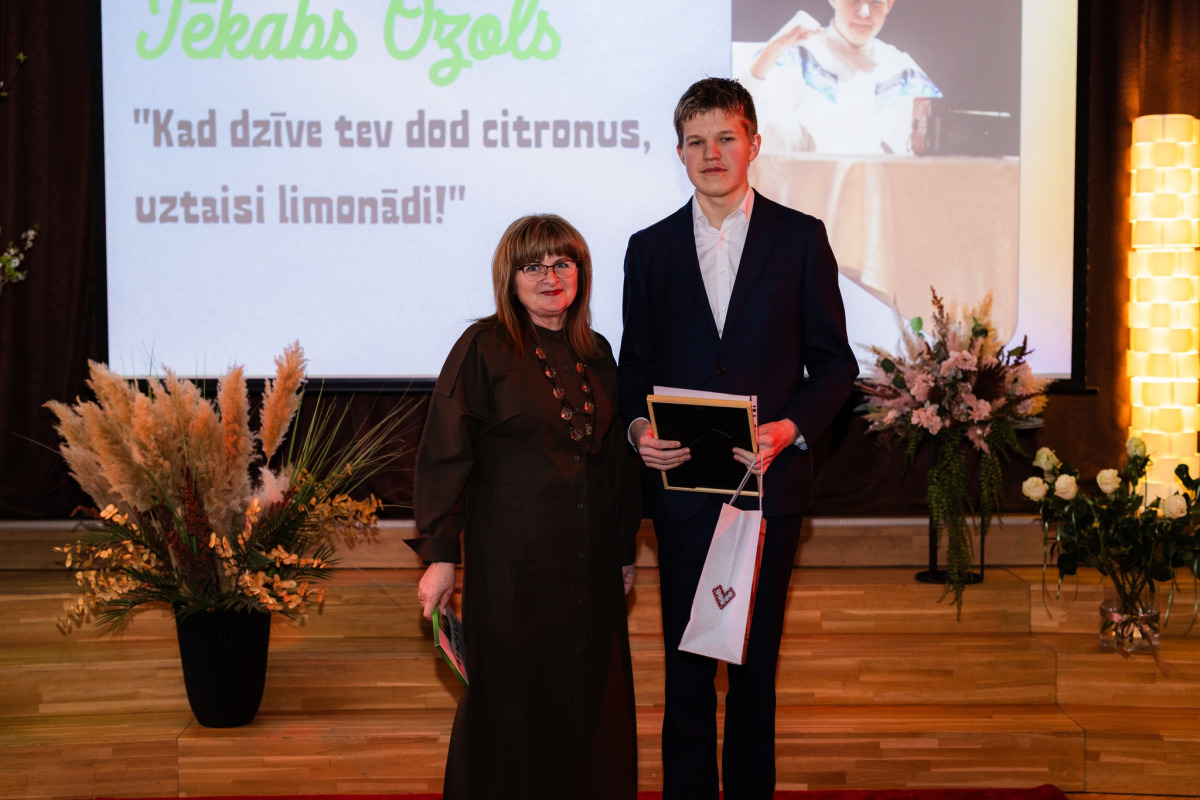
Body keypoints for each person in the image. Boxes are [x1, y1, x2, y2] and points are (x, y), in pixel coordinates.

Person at [618, 78, 858, 799]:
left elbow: (836, 366)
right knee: (686, 674)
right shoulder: (649, 249)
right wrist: (638, 431)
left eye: (726, 137)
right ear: (679, 153)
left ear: (754, 143)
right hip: (682, 497)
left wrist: (791, 427)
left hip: (768, 490)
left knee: (754, 675)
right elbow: (634, 371)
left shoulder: (801, 238)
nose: (712, 153)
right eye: (696, 141)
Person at [408, 214, 642, 800]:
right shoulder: (483, 347)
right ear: (509, 278)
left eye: (562, 263)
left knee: (591, 698)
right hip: (513, 569)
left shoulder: (597, 352)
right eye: (532, 266)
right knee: (509, 704)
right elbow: (444, 454)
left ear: (581, 273)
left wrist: (623, 551)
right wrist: (440, 556)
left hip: (590, 566)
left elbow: (615, 464)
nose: (549, 277)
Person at [741, 0, 941, 155]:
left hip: (877, 182)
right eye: (854, 0)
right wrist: (773, 49)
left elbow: (931, 134)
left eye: (876, 2)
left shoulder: (901, 68)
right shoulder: (799, 51)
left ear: (889, 4)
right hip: (806, 179)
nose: (865, 12)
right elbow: (747, 113)